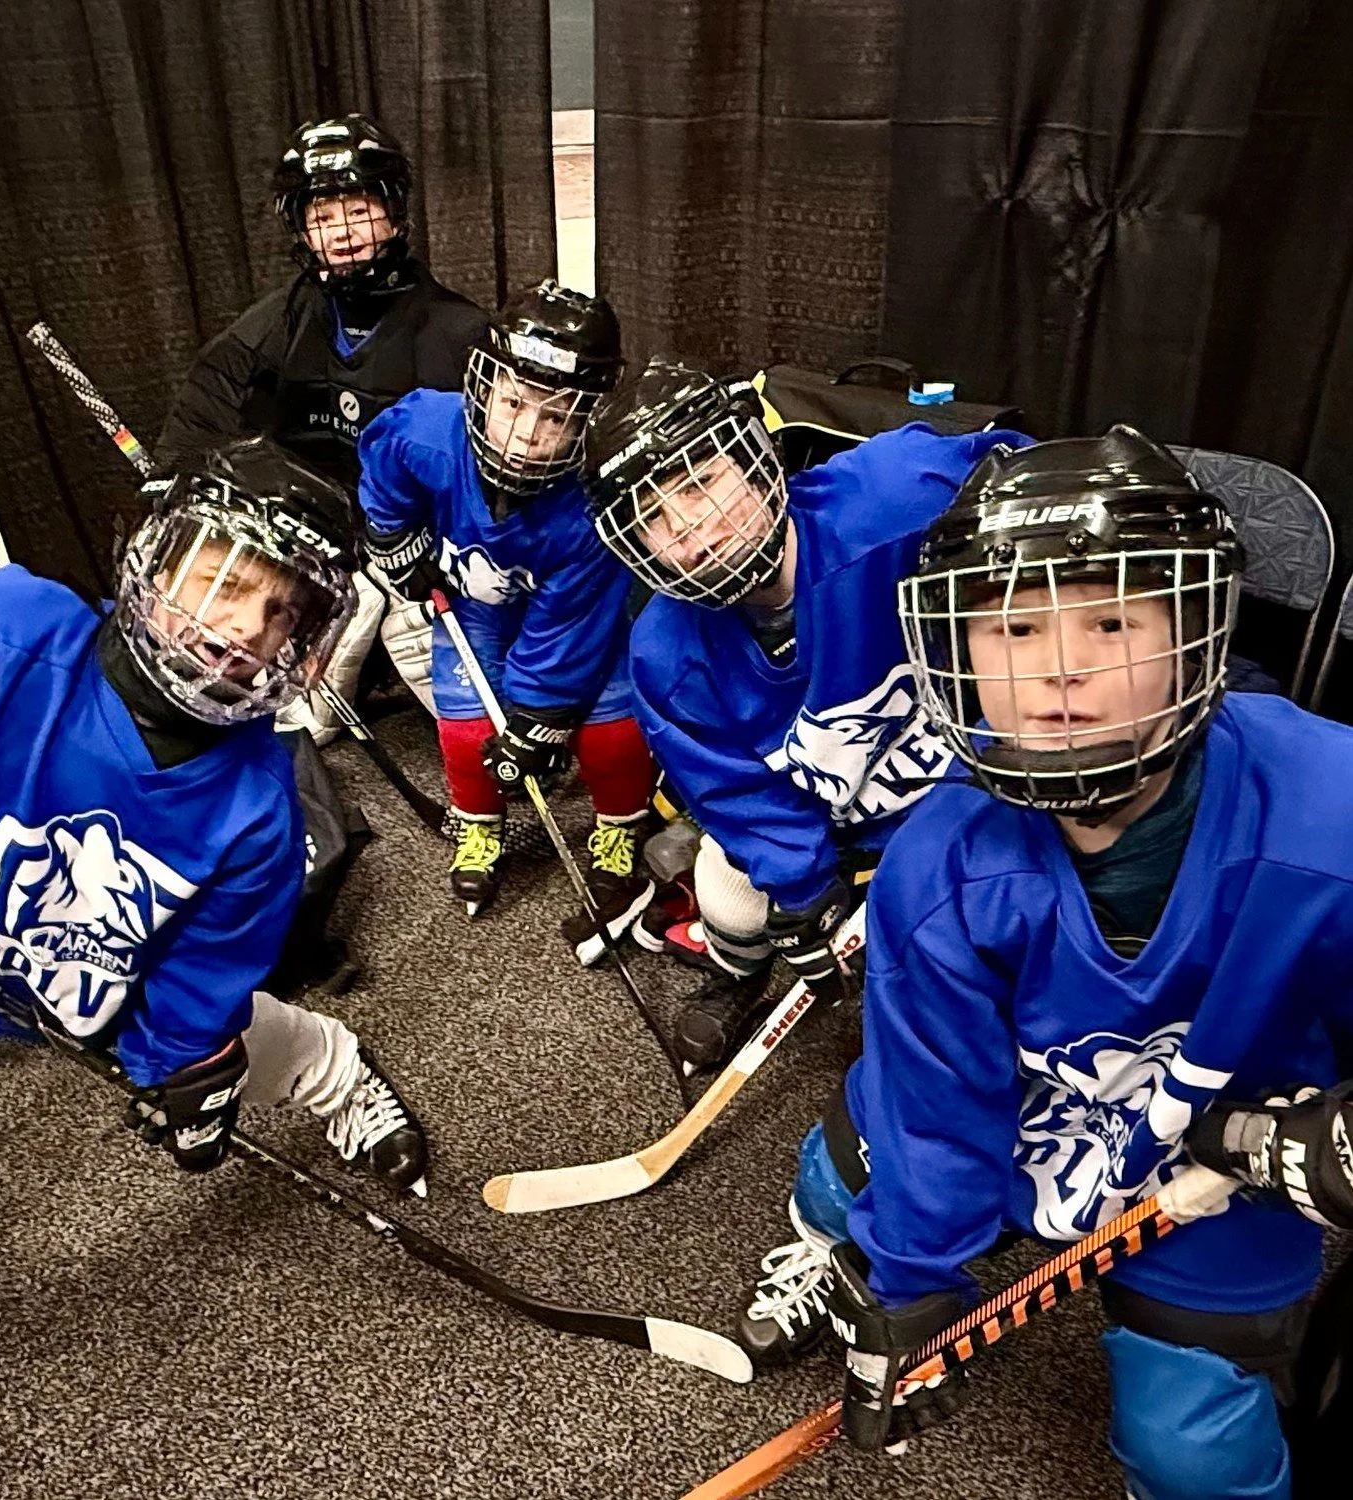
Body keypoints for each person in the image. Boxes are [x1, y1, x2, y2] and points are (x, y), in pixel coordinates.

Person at [737, 428, 1353, 1500]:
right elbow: (935, 1106)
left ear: (1196, 634)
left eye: (1111, 620)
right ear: (960, 650)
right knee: (841, 1178)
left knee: (1196, 1455)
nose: (1058, 670)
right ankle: (840, 1249)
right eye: (1013, 626)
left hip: (1225, 1151)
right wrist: (915, 1284)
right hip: (1032, 1100)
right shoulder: (942, 859)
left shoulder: (1329, 812)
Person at [0, 440, 431, 1294]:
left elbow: (200, 976)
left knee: (199, 1044)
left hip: (98, 961)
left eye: (282, 613)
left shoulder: (260, 810)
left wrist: (189, 1072)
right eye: (225, 582)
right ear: (156, 557)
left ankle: (333, 1069)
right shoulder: (7, 630)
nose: (245, 630)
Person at [584, 361, 1026, 1068]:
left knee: (968, 965)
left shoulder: (896, 496)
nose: (692, 531)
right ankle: (738, 972)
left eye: (700, 485)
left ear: (755, 462)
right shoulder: (665, 656)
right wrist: (802, 881)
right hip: (828, 811)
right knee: (730, 899)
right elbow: (735, 793)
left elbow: (1036, 488)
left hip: (976, 788)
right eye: (657, 519)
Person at [156, 112, 487, 743]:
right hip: (321, 537)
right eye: (323, 216)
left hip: (419, 545)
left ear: (393, 214)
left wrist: (432, 553)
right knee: (318, 679)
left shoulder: (455, 330)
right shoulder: (283, 318)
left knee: (439, 672)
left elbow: (487, 474)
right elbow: (211, 394)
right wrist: (172, 479)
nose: (342, 234)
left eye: (358, 210)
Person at [360, 282, 656, 961]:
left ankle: (618, 824)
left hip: (574, 620)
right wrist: (391, 535)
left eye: (554, 418)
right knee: (467, 734)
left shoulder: (590, 502)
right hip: (474, 604)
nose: (525, 435)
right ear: (483, 387)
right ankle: (478, 823)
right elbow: (383, 464)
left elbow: (569, 627)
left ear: (585, 420)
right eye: (514, 404)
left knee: (612, 735)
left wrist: (537, 720)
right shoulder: (429, 433)